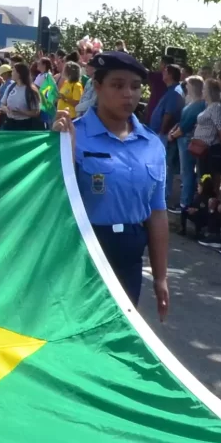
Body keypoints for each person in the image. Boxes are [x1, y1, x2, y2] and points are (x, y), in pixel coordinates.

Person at [70, 51, 172, 321]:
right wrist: (60, 147)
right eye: (117, 85)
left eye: (136, 86)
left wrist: (161, 277)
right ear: (97, 87)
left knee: (119, 335)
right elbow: (54, 202)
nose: (128, 94)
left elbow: (158, 212)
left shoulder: (151, 145)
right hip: (84, 256)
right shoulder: (72, 137)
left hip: (130, 259)